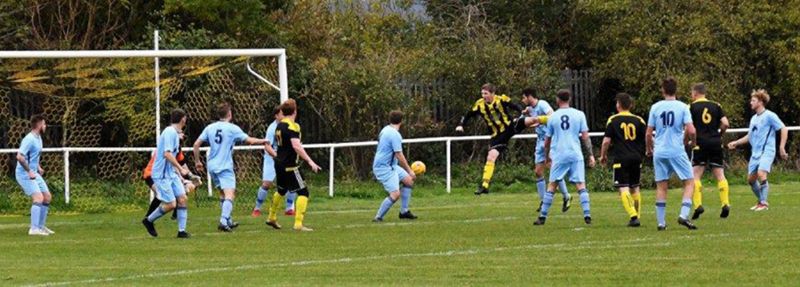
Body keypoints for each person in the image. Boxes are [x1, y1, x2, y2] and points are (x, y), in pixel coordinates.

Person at [192, 102, 269, 232]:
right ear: (230, 114)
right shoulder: (232, 128)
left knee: (223, 193)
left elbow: (196, 144)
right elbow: (249, 140)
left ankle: (228, 220)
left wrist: (197, 161)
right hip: (224, 166)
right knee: (230, 194)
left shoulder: (210, 127)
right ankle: (223, 221)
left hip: (212, 166)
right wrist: (264, 140)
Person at [533, 89, 596, 226]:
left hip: (559, 154)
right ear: (570, 99)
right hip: (575, 153)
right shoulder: (579, 114)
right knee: (581, 184)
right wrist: (590, 154)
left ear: (557, 100)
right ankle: (587, 215)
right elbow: (585, 136)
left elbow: (547, 141)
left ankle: (542, 217)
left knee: (552, 185)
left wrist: (547, 157)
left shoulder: (553, 117)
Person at [646, 77, 697, 231]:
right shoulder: (682, 107)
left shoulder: (655, 107)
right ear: (676, 90)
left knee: (661, 186)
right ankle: (683, 214)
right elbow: (692, 129)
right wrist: (691, 142)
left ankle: (661, 223)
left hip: (660, 151)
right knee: (689, 182)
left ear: (663, 90)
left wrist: (649, 149)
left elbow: (648, 134)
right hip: (676, 149)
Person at [455, 83, 525, 195]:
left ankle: (549, 119)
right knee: (491, 157)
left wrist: (522, 113)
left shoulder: (501, 99)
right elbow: (467, 115)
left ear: (493, 93)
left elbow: (516, 106)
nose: (483, 96)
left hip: (509, 128)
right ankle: (485, 186)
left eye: (486, 93)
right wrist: (461, 124)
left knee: (530, 121)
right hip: (497, 136)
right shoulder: (479, 104)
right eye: (482, 93)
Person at [265, 99, 322, 231]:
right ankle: (298, 224)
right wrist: (310, 161)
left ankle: (271, 217)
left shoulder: (279, 125)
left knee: (281, 190)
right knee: (304, 192)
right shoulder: (293, 126)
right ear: (295, 111)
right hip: (290, 165)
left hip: (278, 163)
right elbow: (296, 146)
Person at [727, 89, 788, 211]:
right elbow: (750, 136)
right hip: (756, 153)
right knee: (751, 180)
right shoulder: (754, 118)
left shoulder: (770, 116)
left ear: (760, 102)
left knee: (761, 173)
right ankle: (761, 201)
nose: (751, 102)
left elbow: (783, 128)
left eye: (753, 100)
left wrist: (781, 147)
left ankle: (764, 204)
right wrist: (736, 143)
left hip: (767, 150)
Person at [141, 109, 192, 238]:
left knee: (182, 199)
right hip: (161, 175)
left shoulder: (174, 134)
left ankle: (181, 231)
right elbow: (167, 154)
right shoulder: (169, 132)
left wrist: (182, 177)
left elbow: (173, 157)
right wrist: (181, 169)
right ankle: (148, 220)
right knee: (171, 204)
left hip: (171, 173)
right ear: (183, 119)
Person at [521, 88, 572, 213]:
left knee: (553, 169)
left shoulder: (542, 104)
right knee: (538, 172)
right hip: (540, 141)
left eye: (523, 98)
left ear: (529, 96)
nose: (522, 100)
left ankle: (566, 196)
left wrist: (538, 121)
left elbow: (552, 116)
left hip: (550, 140)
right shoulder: (529, 109)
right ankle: (543, 201)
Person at [600, 93, 646, 227]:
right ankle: (637, 215)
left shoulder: (613, 120)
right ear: (630, 105)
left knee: (623, 188)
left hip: (621, 157)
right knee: (635, 187)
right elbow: (648, 137)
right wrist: (650, 149)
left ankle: (633, 216)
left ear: (618, 105)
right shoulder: (639, 120)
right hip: (636, 157)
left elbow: (606, 141)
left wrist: (603, 156)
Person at [688, 83, 731, 219]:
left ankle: (698, 205)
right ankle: (725, 203)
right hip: (715, 142)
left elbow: (689, 127)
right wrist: (720, 134)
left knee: (696, 175)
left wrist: (690, 141)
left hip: (700, 142)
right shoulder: (716, 105)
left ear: (695, 93)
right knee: (720, 174)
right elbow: (725, 123)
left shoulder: (691, 107)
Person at [143, 134, 202, 220]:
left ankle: (175, 215)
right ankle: (148, 218)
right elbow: (173, 166)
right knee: (163, 193)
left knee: (178, 192)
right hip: (151, 174)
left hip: (163, 175)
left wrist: (192, 176)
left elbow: (182, 164)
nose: (183, 134)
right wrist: (182, 179)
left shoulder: (177, 149)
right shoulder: (167, 149)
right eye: (180, 133)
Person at [372, 111, 417, 222]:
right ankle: (378, 217)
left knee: (408, 181)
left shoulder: (385, 129)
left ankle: (404, 212)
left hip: (391, 165)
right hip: (384, 167)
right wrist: (409, 170)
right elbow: (398, 154)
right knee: (395, 194)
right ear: (401, 121)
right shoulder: (395, 134)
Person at [252, 106, 297, 217]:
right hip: (271, 159)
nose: (284, 116)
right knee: (267, 184)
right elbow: (267, 146)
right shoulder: (272, 128)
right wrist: (277, 156)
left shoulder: (288, 126)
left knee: (292, 182)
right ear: (276, 115)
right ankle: (257, 208)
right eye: (281, 114)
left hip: (284, 158)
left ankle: (289, 208)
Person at [15, 114, 54, 236]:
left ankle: (40, 227)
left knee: (47, 197)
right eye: (44, 123)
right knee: (38, 198)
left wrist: (38, 167)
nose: (45, 126)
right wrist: (29, 171)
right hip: (24, 174)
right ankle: (34, 229)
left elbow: (33, 156)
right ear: (40, 124)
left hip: (34, 173)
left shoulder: (38, 138)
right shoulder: (29, 139)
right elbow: (20, 156)